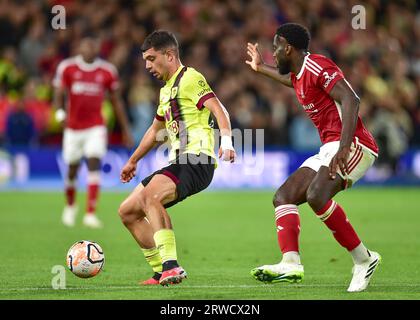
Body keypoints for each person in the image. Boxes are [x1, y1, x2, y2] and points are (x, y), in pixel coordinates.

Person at [245, 23, 381, 292]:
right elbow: (290, 80)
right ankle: (290, 263)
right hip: (329, 148)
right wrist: (260, 68)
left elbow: (352, 99)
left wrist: (344, 147)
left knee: (317, 195)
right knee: (283, 196)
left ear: (289, 48)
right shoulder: (299, 73)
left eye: (275, 48)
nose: (273, 53)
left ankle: (364, 260)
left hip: (355, 145)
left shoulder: (319, 66)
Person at [118, 30, 236, 286]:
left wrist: (226, 142)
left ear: (170, 55)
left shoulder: (190, 78)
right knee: (128, 211)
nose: (148, 66)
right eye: (145, 61)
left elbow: (219, 108)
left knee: (152, 197)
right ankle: (161, 270)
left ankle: (172, 266)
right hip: (179, 163)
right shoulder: (165, 91)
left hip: (197, 160)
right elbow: (155, 130)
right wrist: (133, 160)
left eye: (151, 58)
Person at [53, 37, 134, 228]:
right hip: (72, 128)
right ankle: (71, 206)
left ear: (97, 48)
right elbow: (58, 92)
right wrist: (59, 113)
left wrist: (125, 130)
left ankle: (90, 213)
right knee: (72, 169)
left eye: (92, 45)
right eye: (85, 45)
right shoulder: (67, 68)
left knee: (94, 162)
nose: (89, 48)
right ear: (79, 47)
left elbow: (116, 101)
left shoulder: (107, 71)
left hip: (96, 126)